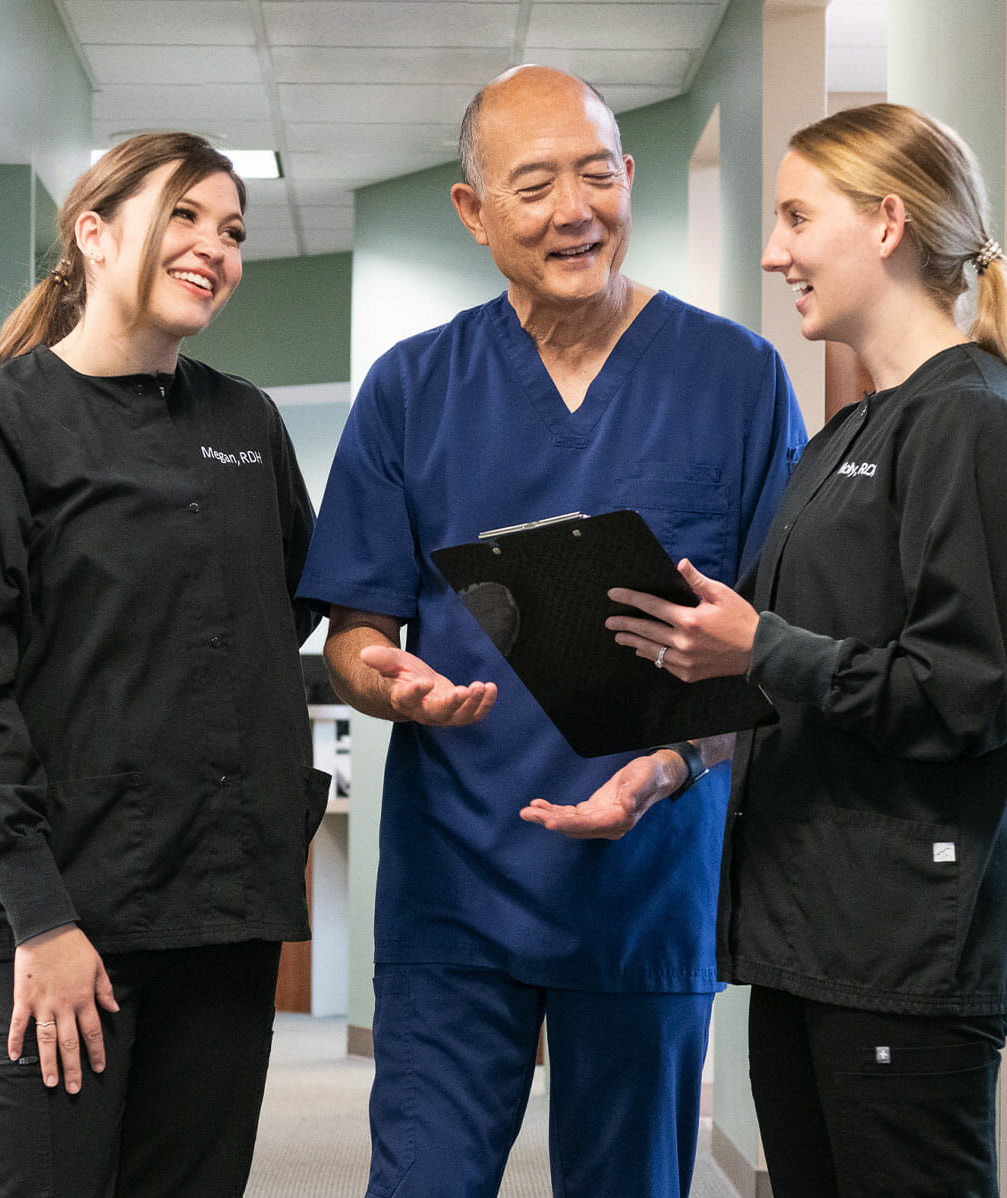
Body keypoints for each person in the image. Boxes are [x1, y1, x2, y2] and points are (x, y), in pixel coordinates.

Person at [533, 103, 1007, 1196]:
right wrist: (673, 763)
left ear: (885, 223)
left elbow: (963, 693)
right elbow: (809, 679)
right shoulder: (849, 434)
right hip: (805, 939)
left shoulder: (975, 422)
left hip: (901, 954)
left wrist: (760, 641)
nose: (774, 250)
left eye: (795, 217)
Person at [295, 66, 806, 1198]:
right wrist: (391, 684)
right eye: (535, 184)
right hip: (455, 879)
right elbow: (354, 629)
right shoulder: (412, 389)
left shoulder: (739, 378)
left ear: (629, 177)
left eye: (596, 173)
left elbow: (780, 648)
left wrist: (670, 768)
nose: (576, 208)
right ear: (475, 213)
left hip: (645, 871)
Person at [0, 132, 329, 1198]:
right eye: (184, 215)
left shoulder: (246, 422)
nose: (214, 247)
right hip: (60, 917)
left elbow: (278, 616)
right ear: (93, 233)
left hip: (223, 911)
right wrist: (42, 921)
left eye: (232, 230)